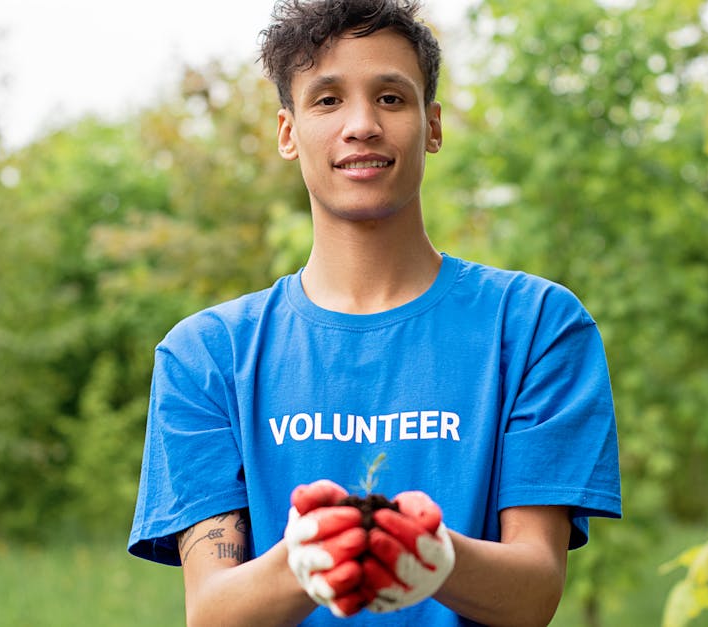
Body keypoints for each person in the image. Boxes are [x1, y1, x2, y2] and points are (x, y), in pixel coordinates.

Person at [127, 0, 621, 624]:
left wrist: (433, 556)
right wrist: (304, 559)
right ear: (288, 131)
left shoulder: (536, 326)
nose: (360, 124)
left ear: (432, 125)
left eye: (390, 97)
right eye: (327, 100)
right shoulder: (205, 354)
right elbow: (212, 611)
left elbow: (535, 590)